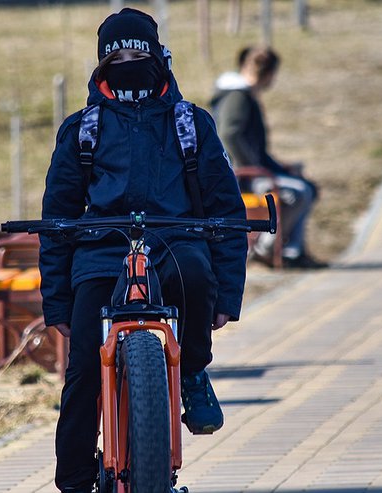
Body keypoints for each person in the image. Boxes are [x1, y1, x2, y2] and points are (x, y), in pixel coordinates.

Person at [39, 8, 247, 492]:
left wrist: (226, 298)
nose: (129, 63)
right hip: (102, 247)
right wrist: (56, 301)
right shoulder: (81, 130)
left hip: (175, 239)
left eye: (139, 54)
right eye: (117, 57)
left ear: (159, 58)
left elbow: (227, 210)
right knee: (85, 369)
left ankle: (192, 372)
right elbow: (57, 218)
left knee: (196, 274)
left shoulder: (191, 123)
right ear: (101, 67)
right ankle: (72, 479)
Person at [211, 45, 327, 269]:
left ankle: (293, 251)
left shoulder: (242, 94)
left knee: (305, 186)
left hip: (251, 172)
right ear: (269, 74)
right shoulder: (237, 97)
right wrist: (251, 168)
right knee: (298, 194)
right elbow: (229, 134)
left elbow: (259, 150)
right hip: (241, 177)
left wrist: (282, 168)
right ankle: (268, 249)